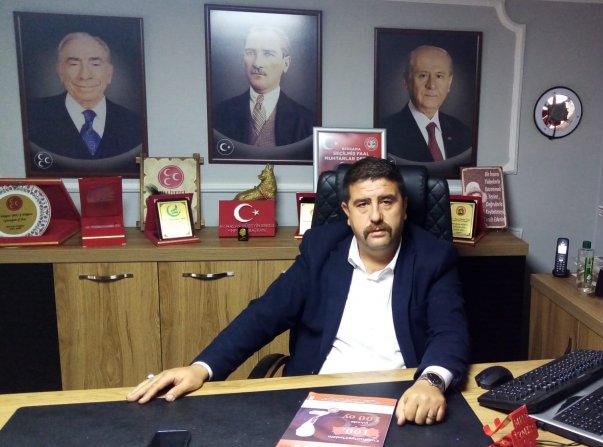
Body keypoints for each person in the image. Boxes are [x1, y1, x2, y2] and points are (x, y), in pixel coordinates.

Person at [127, 157, 470, 427]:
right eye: (363, 204)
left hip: (401, 397)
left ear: (404, 207)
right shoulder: (321, 249)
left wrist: (431, 381)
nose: (376, 216)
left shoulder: (433, 257)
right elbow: (264, 314)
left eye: (387, 201)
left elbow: (450, 332)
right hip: (319, 396)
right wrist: (201, 368)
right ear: (347, 213)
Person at [26, 32, 142, 160]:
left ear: (109, 73)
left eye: (95, 64)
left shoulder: (134, 123)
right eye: (74, 64)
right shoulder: (32, 116)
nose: (85, 75)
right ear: (60, 71)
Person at [213, 25, 313, 147]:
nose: (257, 63)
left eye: (268, 54)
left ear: (286, 64)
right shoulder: (219, 113)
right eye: (250, 53)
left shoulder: (306, 121)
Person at [382, 45, 471, 173]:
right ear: (406, 80)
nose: (431, 85)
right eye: (423, 75)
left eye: (439, 76)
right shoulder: (386, 133)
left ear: (449, 82)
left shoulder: (462, 132)